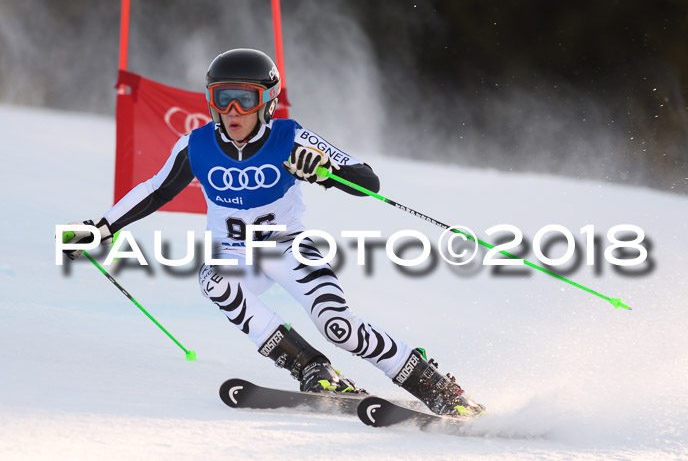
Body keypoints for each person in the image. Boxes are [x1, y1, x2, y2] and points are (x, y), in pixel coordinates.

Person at [63, 48, 484, 416]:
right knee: (216, 281)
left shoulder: (289, 136)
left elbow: (367, 180)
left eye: (243, 99)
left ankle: (437, 387)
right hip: (234, 253)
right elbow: (155, 190)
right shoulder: (197, 145)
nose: (232, 111)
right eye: (221, 98)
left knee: (337, 325)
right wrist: (102, 228)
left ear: (266, 101)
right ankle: (311, 368)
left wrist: (323, 170)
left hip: (288, 248)